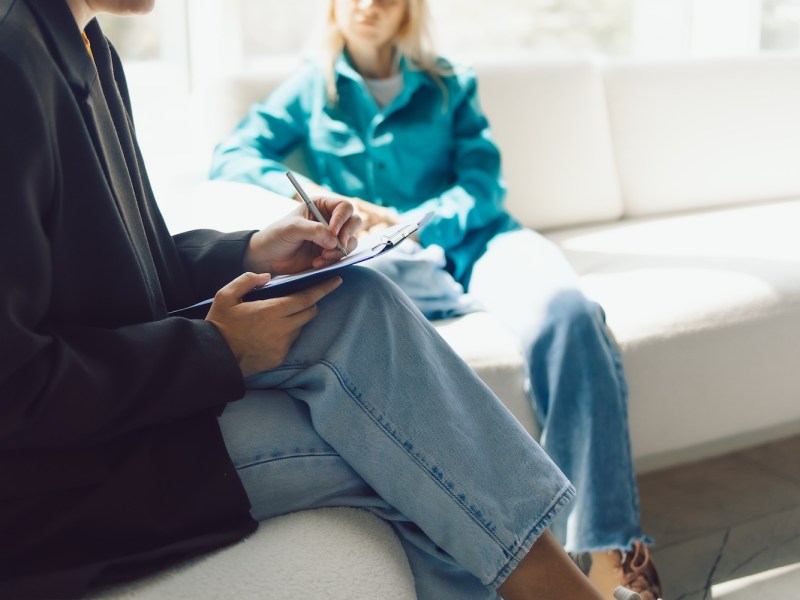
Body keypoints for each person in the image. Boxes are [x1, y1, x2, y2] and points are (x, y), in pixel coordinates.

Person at [0, 1, 617, 599]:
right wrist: (216, 352)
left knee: (356, 297)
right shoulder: (12, 58)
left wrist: (248, 253)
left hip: (126, 417)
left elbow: (123, 272)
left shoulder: (87, 45)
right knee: (409, 459)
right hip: (59, 480)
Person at [208, 0, 664, 599]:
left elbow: (482, 184)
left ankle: (609, 555)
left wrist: (418, 222)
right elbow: (233, 157)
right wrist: (320, 197)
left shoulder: (449, 84)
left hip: (479, 243)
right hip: (394, 268)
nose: (369, 5)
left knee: (571, 316)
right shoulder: (309, 91)